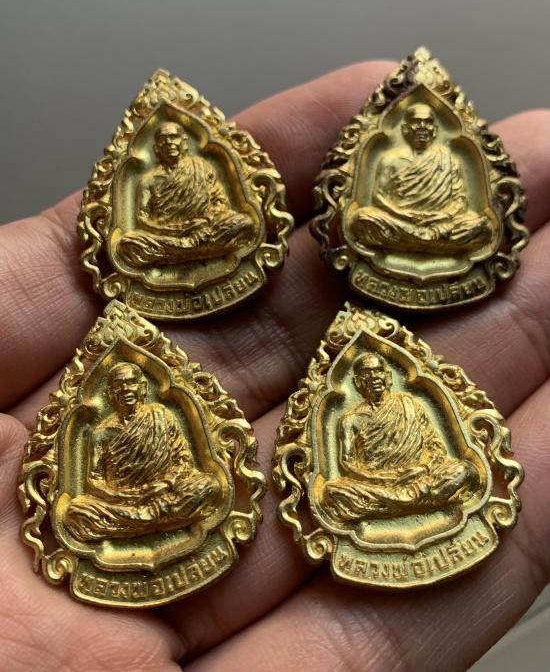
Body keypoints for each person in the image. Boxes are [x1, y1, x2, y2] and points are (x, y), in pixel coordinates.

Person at [1, 60, 547, 670]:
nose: (419, 134)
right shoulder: (105, 430)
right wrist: (142, 502)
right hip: (149, 495)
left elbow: (227, 218)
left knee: (456, 472)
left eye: (425, 127)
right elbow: (109, 486)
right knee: (80, 509)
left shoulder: (403, 401)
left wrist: (415, 481)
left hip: (414, 423)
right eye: (169, 146)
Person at [64, 362, 220, 541]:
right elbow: (94, 480)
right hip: (125, 502)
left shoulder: (161, 414)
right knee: (74, 512)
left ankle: (137, 522)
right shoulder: (101, 433)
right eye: (118, 385)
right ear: (110, 394)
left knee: (210, 485)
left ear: (143, 387)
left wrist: (166, 483)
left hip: (164, 493)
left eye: (131, 382)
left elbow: (184, 459)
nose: (125, 389)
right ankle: (159, 518)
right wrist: (121, 496)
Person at [322, 353, 478, 520]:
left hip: (421, 475)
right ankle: (419, 499)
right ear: (358, 382)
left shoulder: (409, 404)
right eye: (366, 373)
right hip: (380, 484)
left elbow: (434, 444)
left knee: (465, 470)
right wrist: (385, 479)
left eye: (378, 371)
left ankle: (398, 502)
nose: (374, 377)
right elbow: (348, 464)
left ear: (388, 376)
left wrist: (424, 467)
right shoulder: (350, 420)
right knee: (332, 491)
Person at [350, 103, 492, 253]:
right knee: (363, 218)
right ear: (405, 128)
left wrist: (442, 216)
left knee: (480, 225)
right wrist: (403, 215)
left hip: (440, 223)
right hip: (400, 221)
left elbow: (460, 200)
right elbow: (378, 197)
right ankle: (435, 243)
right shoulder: (390, 160)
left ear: (435, 130)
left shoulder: (449, 160)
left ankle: (411, 242)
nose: (422, 127)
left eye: (428, 122)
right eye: (416, 122)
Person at [117, 121, 254, 266]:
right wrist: (178, 230)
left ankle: (182, 251)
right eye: (163, 139)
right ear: (156, 148)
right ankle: (203, 248)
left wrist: (205, 222)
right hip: (168, 235)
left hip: (204, 229)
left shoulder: (201, 167)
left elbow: (221, 202)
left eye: (173, 137)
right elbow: (143, 219)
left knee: (244, 222)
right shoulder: (148, 181)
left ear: (184, 142)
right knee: (127, 243)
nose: (169, 142)